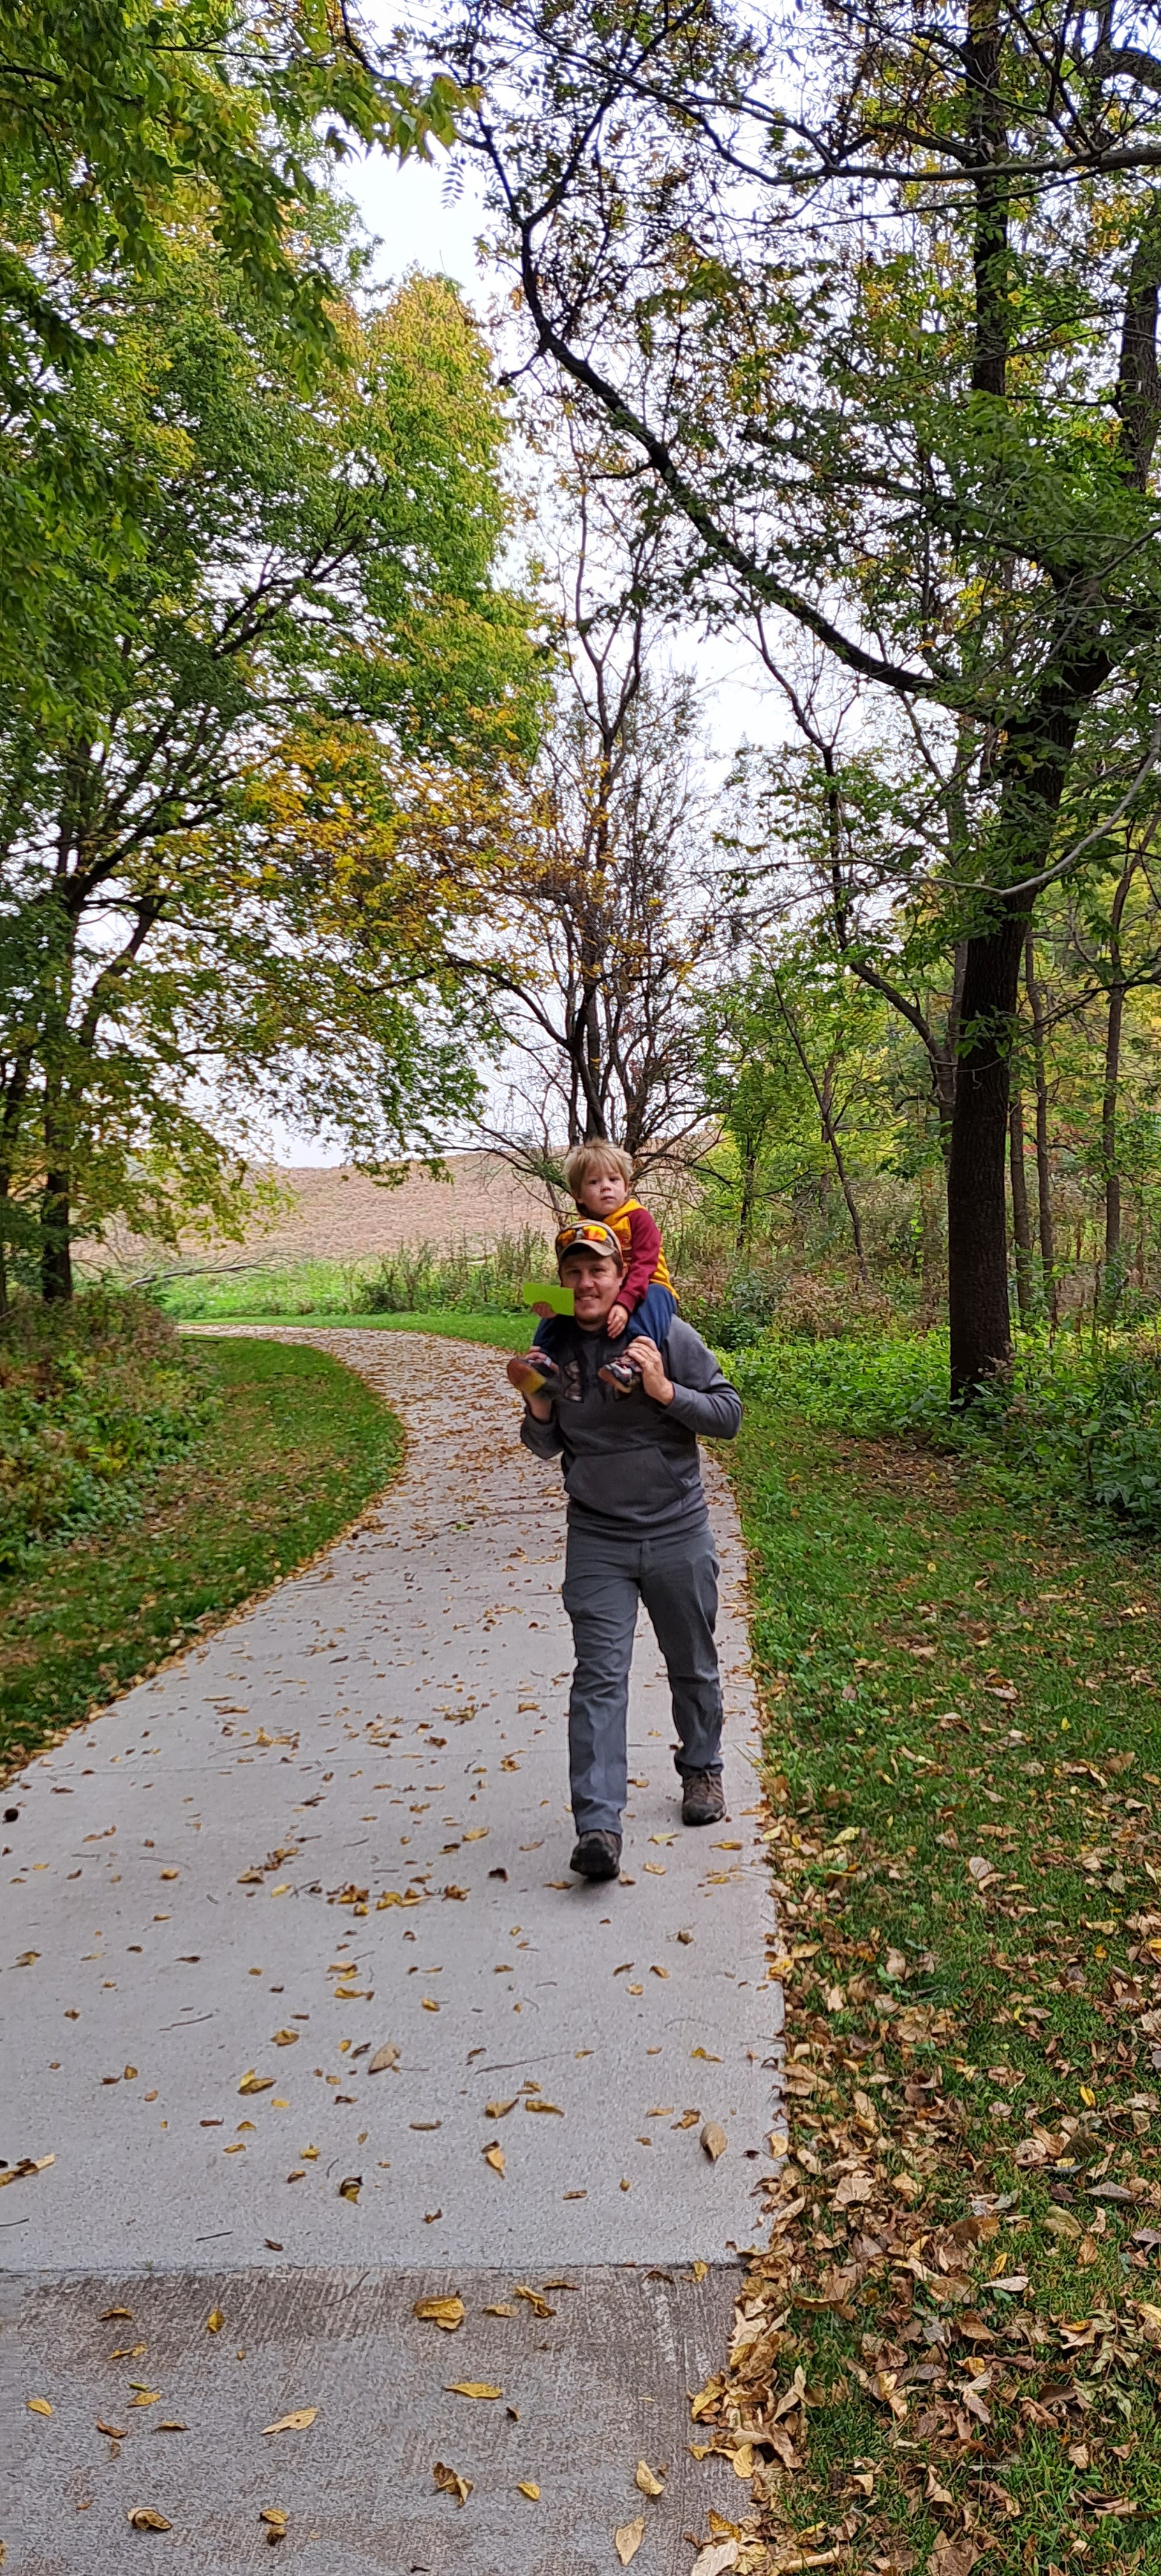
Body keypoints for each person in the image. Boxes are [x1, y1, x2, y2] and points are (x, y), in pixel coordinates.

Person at [507, 1220, 743, 1882]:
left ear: (619, 1276)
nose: (585, 1283)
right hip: (599, 1537)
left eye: (597, 1271)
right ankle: (598, 1826)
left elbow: (728, 1415)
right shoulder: (550, 1347)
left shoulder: (664, 1334)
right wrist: (539, 1407)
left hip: (677, 1530)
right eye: (573, 1272)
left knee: (692, 1663)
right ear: (563, 1282)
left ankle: (702, 1772)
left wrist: (665, 1390)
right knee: (598, 1678)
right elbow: (545, 1446)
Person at [544, 1140, 677, 1393]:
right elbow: (570, 1273)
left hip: (649, 1284)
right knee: (557, 1301)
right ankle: (542, 1358)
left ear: (626, 1187)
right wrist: (552, 1303)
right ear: (579, 1195)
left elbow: (645, 1264)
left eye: (614, 1180)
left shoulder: (638, 1217)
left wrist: (625, 1303)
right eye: (594, 1182)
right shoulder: (584, 1229)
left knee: (654, 1301)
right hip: (608, 1290)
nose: (606, 1187)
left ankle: (634, 1362)